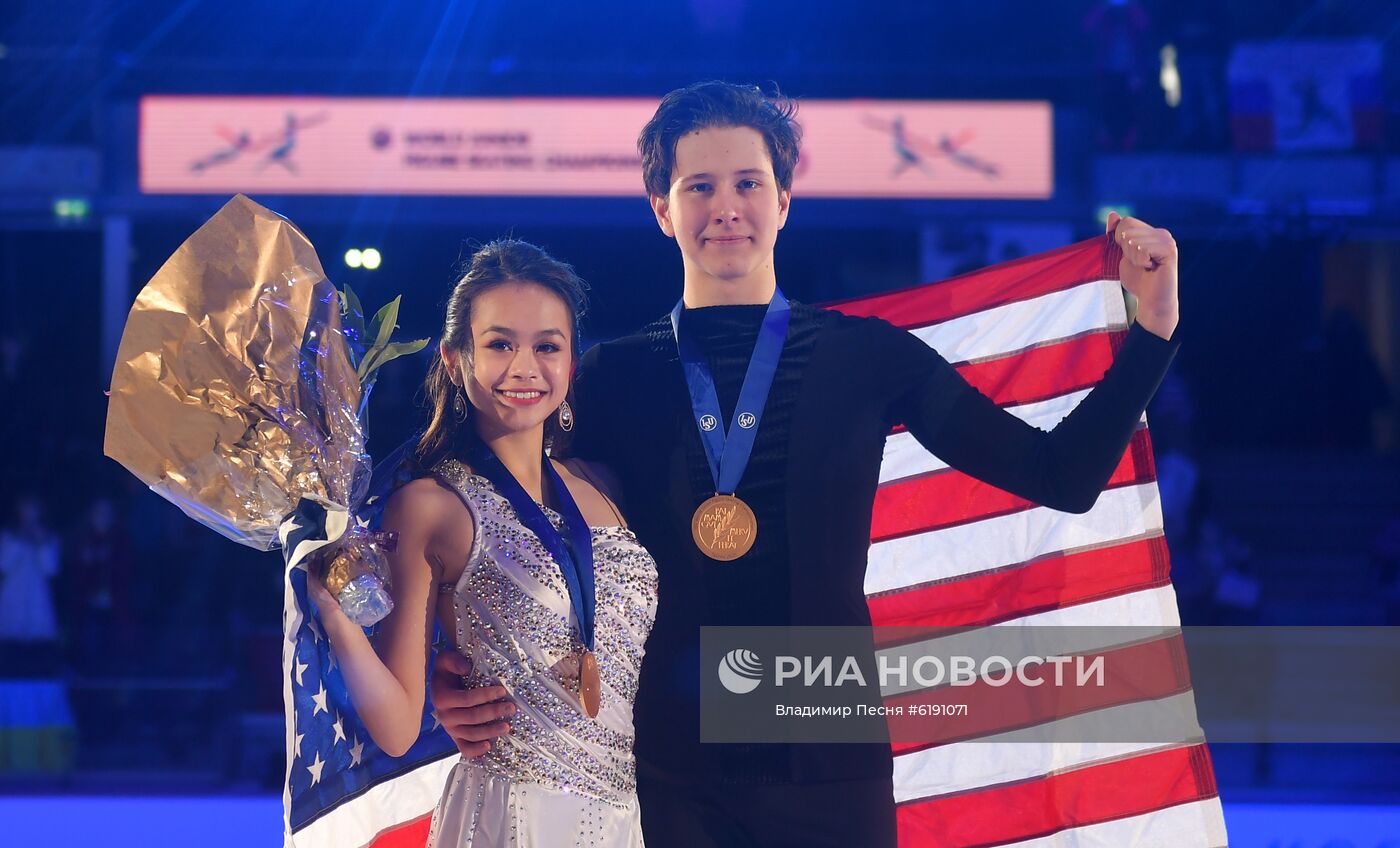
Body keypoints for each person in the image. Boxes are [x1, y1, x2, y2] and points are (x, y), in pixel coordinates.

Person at [431, 81, 1181, 846]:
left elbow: (1061, 475)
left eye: (749, 184)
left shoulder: (868, 356)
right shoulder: (607, 377)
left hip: (832, 772)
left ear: (784, 201)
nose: (727, 208)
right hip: (661, 777)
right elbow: (506, 535)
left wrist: (1153, 330)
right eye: (700, 187)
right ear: (662, 208)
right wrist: (448, 670)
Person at [308, 239, 657, 847]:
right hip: (505, 818)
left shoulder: (605, 485)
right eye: (500, 344)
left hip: (624, 818)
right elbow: (397, 728)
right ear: (453, 359)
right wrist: (333, 611)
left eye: (547, 346)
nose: (525, 367)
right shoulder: (429, 506)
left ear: (571, 363)